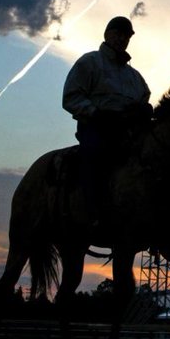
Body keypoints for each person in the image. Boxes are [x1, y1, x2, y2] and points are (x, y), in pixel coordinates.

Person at [62, 16, 152, 225]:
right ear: (107, 34)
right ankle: (90, 213)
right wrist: (96, 114)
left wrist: (144, 110)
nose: (122, 39)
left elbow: (144, 99)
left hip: (129, 133)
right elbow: (71, 97)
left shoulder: (135, 77)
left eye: (126, 36)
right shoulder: (89, 62)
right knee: (94, 157)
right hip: (97, 129)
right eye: (118, 34)